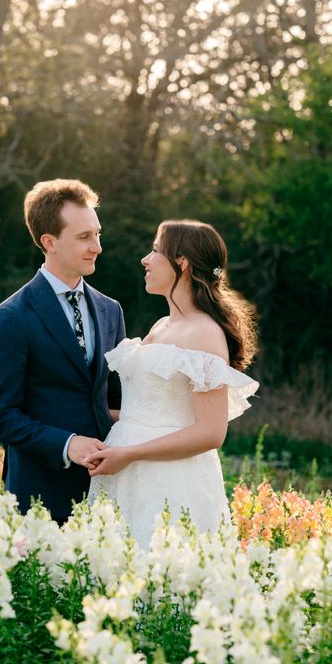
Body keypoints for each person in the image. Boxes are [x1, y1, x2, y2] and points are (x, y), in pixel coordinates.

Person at [86, 219, 258, 548]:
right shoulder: (162, 325)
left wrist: (131, 453)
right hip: (125, 471)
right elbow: (154, 411)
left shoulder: (204, 332)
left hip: (169, 478)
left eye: (154, 251)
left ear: (182, 263)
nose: (145, 260)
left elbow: (211, 432)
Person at [0, 178, 126, 524]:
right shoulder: (12, 317)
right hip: (40, 495)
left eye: (97, 234)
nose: (97, 247)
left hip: (108, 491)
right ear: (49, 242)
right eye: (84, 237)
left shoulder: (111, 310)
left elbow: (116, 400)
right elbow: (0, 414)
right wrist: (68, 444)